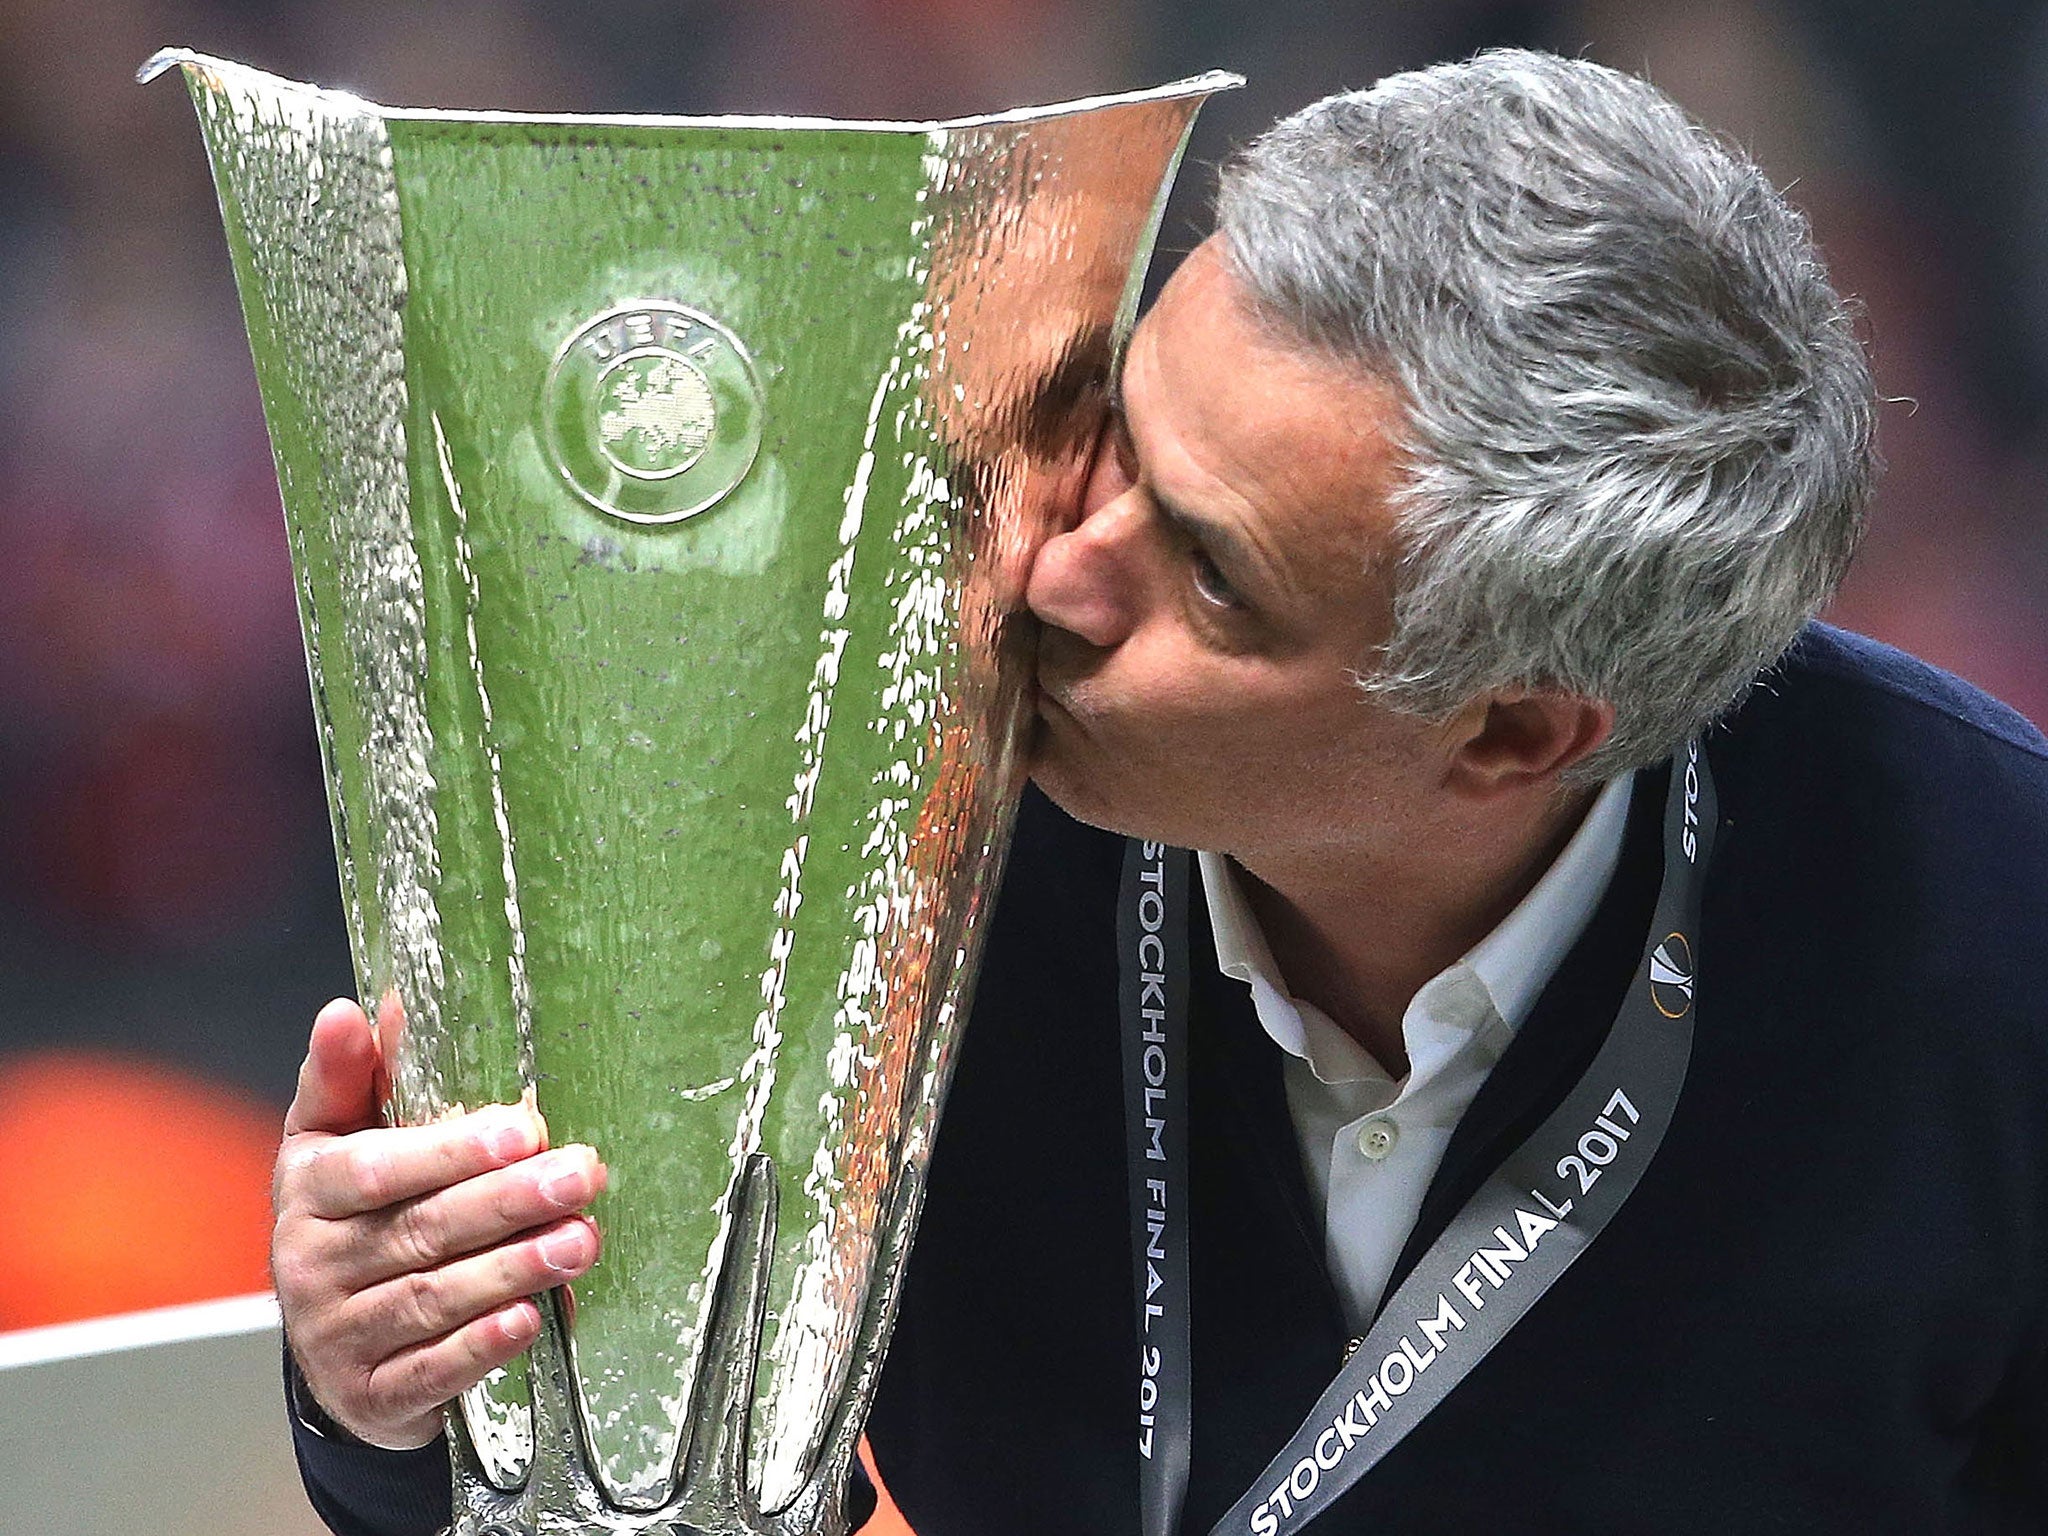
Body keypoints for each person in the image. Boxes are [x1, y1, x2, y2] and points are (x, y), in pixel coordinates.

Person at [275, 50, 2048, 1536]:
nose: (1054, 575)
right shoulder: (848, 775)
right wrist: (401, 1397)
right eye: (1115, 431)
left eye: (1210, 576)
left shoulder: (1992, 938)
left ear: (1513, 734)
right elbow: (642, 1493)